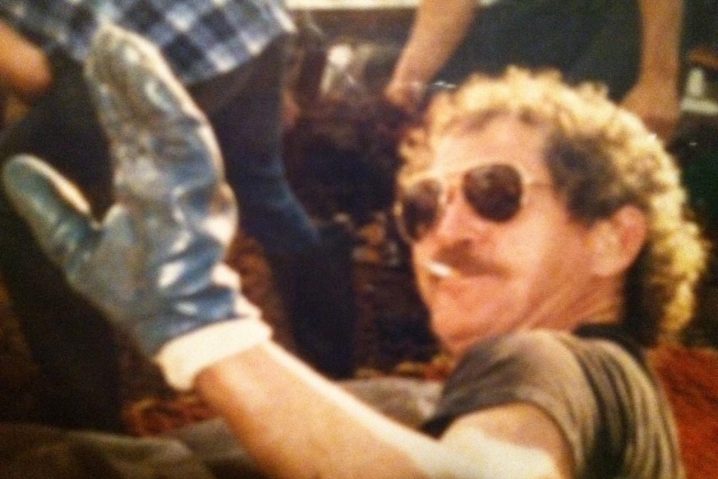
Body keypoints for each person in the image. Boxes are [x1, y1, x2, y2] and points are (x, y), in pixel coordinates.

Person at [4, 25, 707, 478]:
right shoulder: (611, 403)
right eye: (422, 206)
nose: (444, 233)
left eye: (494, 192)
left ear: (614, 238)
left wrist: (196, 320)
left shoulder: (551, 359)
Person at [0, 0, 357, 431]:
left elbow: (36, 78)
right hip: (248, 26)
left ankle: (91, 420)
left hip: (158, 52)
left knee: (15, 193)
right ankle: (340, 369)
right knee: (262, 187)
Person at [385, 0, 685, 142]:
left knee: (568, 153)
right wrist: (409, 78)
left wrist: (657, 78)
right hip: (519, 23)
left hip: (619, 25)